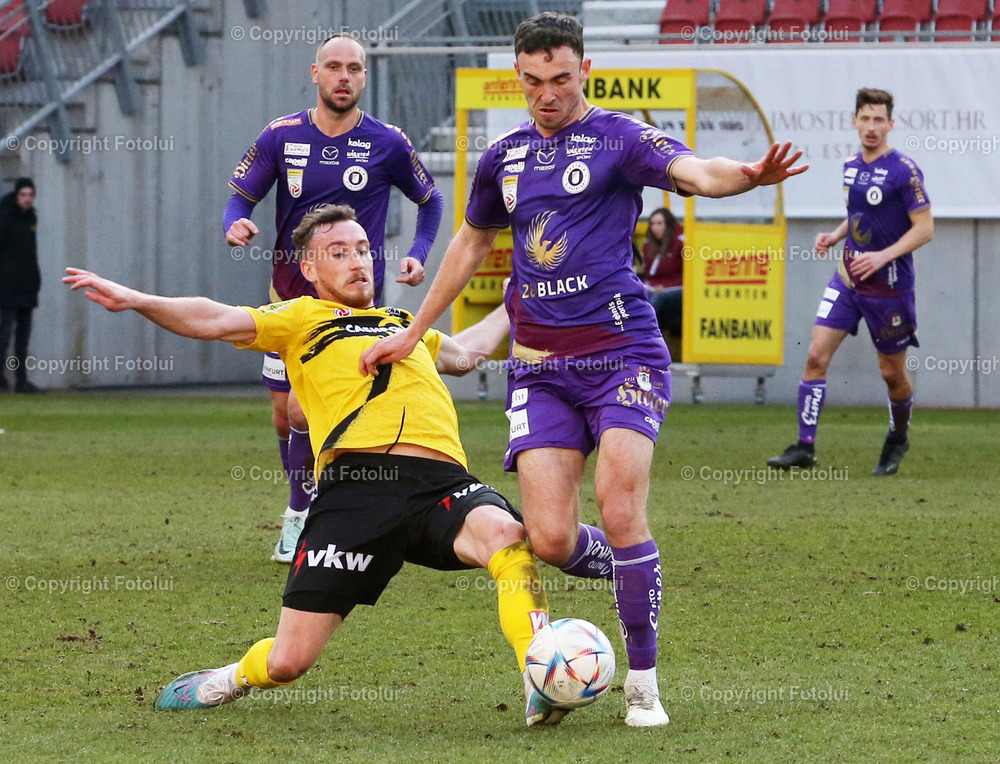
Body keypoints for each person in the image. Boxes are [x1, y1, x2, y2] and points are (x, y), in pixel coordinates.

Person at [360, 12, 807, 727]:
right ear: (519, 78)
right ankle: (638, 572)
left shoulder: (619, 138)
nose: (547, 94)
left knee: (622, 508)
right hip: (539, 373)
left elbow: (694, 170)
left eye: (561, 79)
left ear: (584, 72)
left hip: (623, 355)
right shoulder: (502, 159)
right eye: (533, 81)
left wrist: (746, 177)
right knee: (552, 540)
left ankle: (642, 682)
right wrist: (416, 330)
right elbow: (471, 244)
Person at [64, 204, 564, 727]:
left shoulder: (405, 326)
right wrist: (138, 300)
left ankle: (541, 678)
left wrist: (519, 296)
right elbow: (213, 317)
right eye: (338, 253)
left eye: (363, 250)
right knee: (287, 663)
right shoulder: (302, 318)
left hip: (442, 483)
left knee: (509, 537)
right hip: (355, 495)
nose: (357, 262)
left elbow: (468, 355)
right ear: (309, 270)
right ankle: (230, 677)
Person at [223, 33, 444, 563]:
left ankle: (308, 514)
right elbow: (241, 195)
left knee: (310, 407)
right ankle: (308, 503)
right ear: (315, 73)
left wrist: (417, 251)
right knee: (286, 416)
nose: (344, 77)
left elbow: (430, 201)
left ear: (364, 78)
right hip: (288, 296)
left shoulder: (388, 142)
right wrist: (237, 222)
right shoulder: (281, 136)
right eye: (334, 67)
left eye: (354, 69)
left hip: (354, 306)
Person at [767, 87, 933, 476]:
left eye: (879, 120)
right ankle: (805, 447)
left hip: (889, 287)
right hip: (848, 280)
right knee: (814, 357)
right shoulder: (850, 166)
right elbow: (861, 213)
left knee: (891, 374)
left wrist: (883, 255)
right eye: (866, 118)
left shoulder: (904, 170)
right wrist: (836, 235)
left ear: (891, 124)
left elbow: (924, 229)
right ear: (855, 121)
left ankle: (898, 435)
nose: (872, 127)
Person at [0, 177, 40, 393]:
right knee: (5, 331)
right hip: (8, 284)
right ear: (16, 196)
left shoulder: (30, 218)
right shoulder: (4, 216)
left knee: (23, 336)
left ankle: (21, 380)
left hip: (27, 284)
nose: (26, 200)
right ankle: (0, 379)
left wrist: (35, 279)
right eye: (23, 195)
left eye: (30, 195)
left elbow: (30, 254)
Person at [640, 207, 684, 338]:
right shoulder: (648, 246)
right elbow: (647, 274)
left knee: (657, 298)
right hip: (653, 287)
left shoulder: (681, 244)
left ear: (669, 225)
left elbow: (687, 275)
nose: (655, 228)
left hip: (676, 288)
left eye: (659, 224)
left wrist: (664, 288)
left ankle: (645, 336)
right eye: (652, 224)